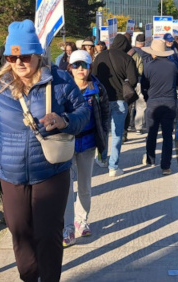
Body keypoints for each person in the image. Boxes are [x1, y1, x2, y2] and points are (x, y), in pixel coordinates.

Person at [0, 19, 89, 282]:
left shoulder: (59, 81)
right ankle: (29, 277)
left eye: (25, 56)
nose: (19, 62)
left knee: (48, 234)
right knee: (19, 231)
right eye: (12, 57)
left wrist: (65, 121)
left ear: (38, 54)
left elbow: (84, 112)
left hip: (50, 171)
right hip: (10, 175)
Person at [62, 50, 110, 247]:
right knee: (65, 188)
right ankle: (67, 228)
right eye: (76, 65)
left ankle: (82, 221)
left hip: (88, 144)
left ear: (90, 67)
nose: (80, 69)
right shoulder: (62, 88)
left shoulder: (98, 89)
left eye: (84, 65)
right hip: (66, 144)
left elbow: (105, 114)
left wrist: (103, 136)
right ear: (70, 68)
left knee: (84, 187)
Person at [91, 34, 138, 176]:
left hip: (103, 100)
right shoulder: (127, 58)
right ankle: (113, 167)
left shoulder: (100, 57)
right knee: (117, 134)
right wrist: (124, 84)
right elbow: (134, 80)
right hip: (120, 100)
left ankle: (103, 159)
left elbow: (93, 76)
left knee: (103, 131)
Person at [139, 39, 178, 175]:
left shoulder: (148, 67)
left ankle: (151, 158)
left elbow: (144, 86)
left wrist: (148, 98)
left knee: (151, 132)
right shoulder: (173, 66)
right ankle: (166, 166)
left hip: (153, 102)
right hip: (169, 102)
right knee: (167, 135)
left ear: (154, 53)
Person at [129, 33, 148, 135]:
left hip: (129, 82)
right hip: (141, 81)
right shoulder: (147, 53)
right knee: (141, 105)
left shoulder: (130, 52)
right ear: (144, 43)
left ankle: (129, 123)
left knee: (130, 104)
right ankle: (138, 127)